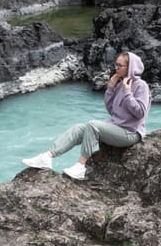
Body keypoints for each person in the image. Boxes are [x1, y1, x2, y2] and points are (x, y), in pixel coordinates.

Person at [22, 52, 151, 180]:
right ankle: (47, 156)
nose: (116, 68)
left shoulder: (141, 86)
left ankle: (81, 166)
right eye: (116, 64)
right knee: (78, 128)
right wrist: (111, 88)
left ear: (130, 67)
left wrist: (128, 92)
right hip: (116, 127)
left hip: (130, 133)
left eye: (120, 65)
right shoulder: (121, 84)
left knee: (93, 125)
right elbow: (112, 110)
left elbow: (140, 113)